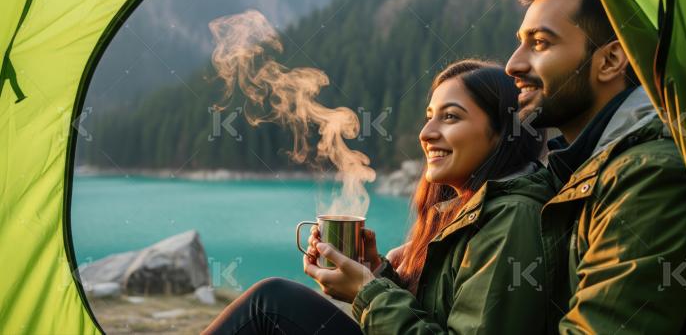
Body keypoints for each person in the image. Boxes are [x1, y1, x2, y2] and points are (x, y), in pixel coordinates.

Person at [203, 59, 556, 335]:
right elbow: (439, 316)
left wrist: (366, 292)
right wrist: (381, 276)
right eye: (429, 117)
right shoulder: (473, 209)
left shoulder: (513, 216)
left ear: (502, 133)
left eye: (450, 117)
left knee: (272, 304)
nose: (426, 133)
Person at [505, 0, 686, 333]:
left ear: (610, 60)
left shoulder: (645, 172)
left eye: (540, 43)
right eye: (520, 42)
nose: (513, 64)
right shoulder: (580, 168)